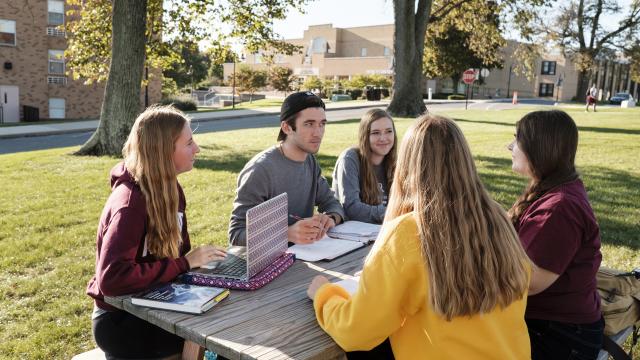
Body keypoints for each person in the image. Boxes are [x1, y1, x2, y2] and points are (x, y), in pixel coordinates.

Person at [307, 114, 531, 359]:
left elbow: (356, 332)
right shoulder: (498, 217)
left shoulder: (408, 232)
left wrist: (324, 295)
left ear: (408, 164)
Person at [87, 105, 227, 359]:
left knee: (226, 313)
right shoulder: (129, 204)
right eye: (189, 143)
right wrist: (185, 263)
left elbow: (178, 258)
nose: (197, 149)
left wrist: (202, 266)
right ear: (163, 151)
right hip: (121, 321)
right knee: (220, 339)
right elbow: (112, 279)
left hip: (159, 302)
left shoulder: (171, 189)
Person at [507, 110, 603, 360]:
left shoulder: (559, 207)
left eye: (516, 139)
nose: (510, 146)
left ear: (539, 147)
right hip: (551, 325)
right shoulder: (553, 189)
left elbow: (529, 281)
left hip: (559, 335)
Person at [229, 91, 345, 246]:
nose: (318, 133)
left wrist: (330, 218)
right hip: (269, 263)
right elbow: (236, 235)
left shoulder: (309, 160)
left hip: (304, 256)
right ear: (287, 127)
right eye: (309, 124)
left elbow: (331, 202)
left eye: (322, 124)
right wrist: (286, 234)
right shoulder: (260, 170)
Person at [332, 108, 397, 224]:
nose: (383, 138)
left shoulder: (395, 162)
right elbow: (352, 208)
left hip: (384, 229)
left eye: (388, 131)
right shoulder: (350, 159)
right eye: (376, 133)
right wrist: (393, 213)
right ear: (365, 136)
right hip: (352, 234)